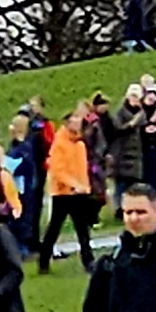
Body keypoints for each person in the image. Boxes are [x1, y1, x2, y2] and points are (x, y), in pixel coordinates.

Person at [40, 110, 101, 272]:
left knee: (82, 229)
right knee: (55, 228)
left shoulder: (79, 144)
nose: (79, 122)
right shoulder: (59, 144)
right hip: (63, 194)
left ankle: (88, 260)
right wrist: (73, 185)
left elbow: (82, 169)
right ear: (67, 122)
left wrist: (85, 188)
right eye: (75, 119)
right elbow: (57, 170)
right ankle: (44, 261)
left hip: (79, 193)